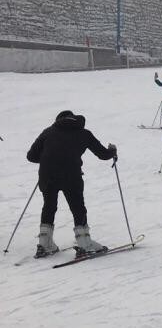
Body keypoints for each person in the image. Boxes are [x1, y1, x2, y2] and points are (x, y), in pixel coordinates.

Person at [26, 110, 118, 257]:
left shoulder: (48, 131)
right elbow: (102, 154)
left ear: (58, 120)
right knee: (77, 207)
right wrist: (112, 151)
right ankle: (84, 244)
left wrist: (49, 158)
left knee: (49, 206)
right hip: (71, 175)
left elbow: (31, 156)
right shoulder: (84, 133)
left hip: (47, 174)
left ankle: (44, 244)